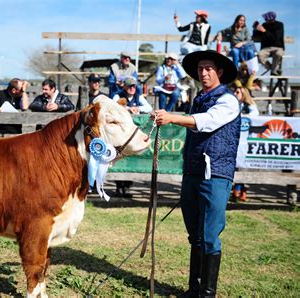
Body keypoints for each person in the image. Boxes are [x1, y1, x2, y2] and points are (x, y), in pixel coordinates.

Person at [153, 50, 240, 297]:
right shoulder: (198, 100)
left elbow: (208, 121)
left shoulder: (228, 100)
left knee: (210, 236)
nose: (203, 73)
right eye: (201, 69)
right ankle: (194, 289)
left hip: (216, 176)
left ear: (219, 72)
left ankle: (207, 293)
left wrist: (172, 117)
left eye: (209, 68)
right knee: (195, 236)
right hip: (192, 174)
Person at [113, 77, 153, 198]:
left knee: (131, 158)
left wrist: (138, 109)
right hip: (121, 134)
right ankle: (119, 187)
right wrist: (128, 108)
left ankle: (127, 187)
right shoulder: (118, 96)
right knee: (120, 158)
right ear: (124, 86)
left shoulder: (138, 97)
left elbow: (149, 108)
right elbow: (113, 106)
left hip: (133, 134)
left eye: (134, 86)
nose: (132, 88)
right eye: (130, 86)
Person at [253, 11, 284, 76]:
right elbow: (255, 36)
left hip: (278, 47)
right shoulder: (264, 25)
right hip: (266, 48)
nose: (265, 19)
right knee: (259, 56)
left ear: (271, 19)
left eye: (266, 18)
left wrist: (264, 31)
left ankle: (274, 70)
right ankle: (273, 69)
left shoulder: (279, 25)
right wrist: (255, 28)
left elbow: (275, 38)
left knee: (278, 54)